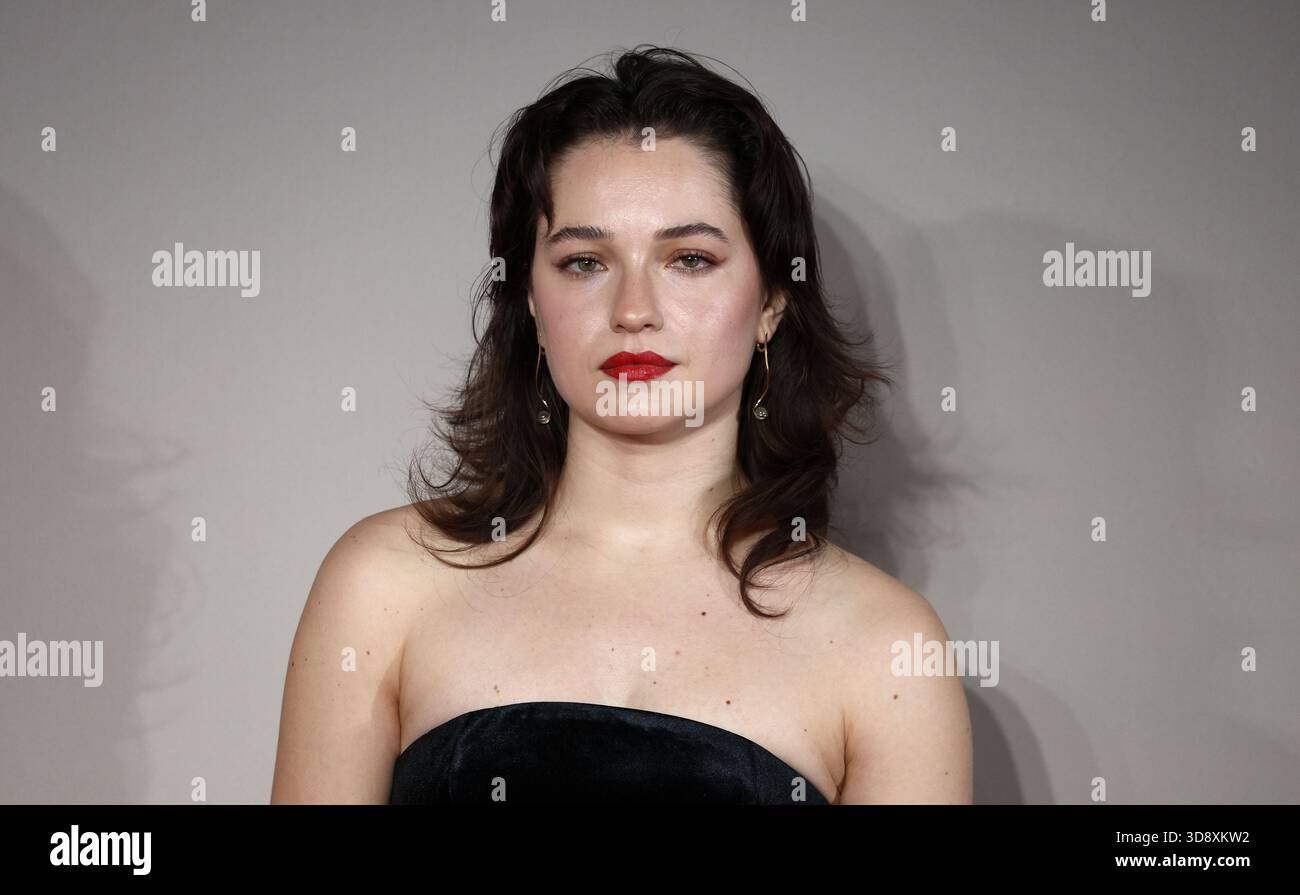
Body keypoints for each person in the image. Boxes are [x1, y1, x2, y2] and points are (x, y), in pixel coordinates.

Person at [271, 45, 972, 804]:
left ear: (773, 299)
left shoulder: (886, 651)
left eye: (690, 259)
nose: (633, 310)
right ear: (532, 303)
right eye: (584, 262)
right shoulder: (383, 584)